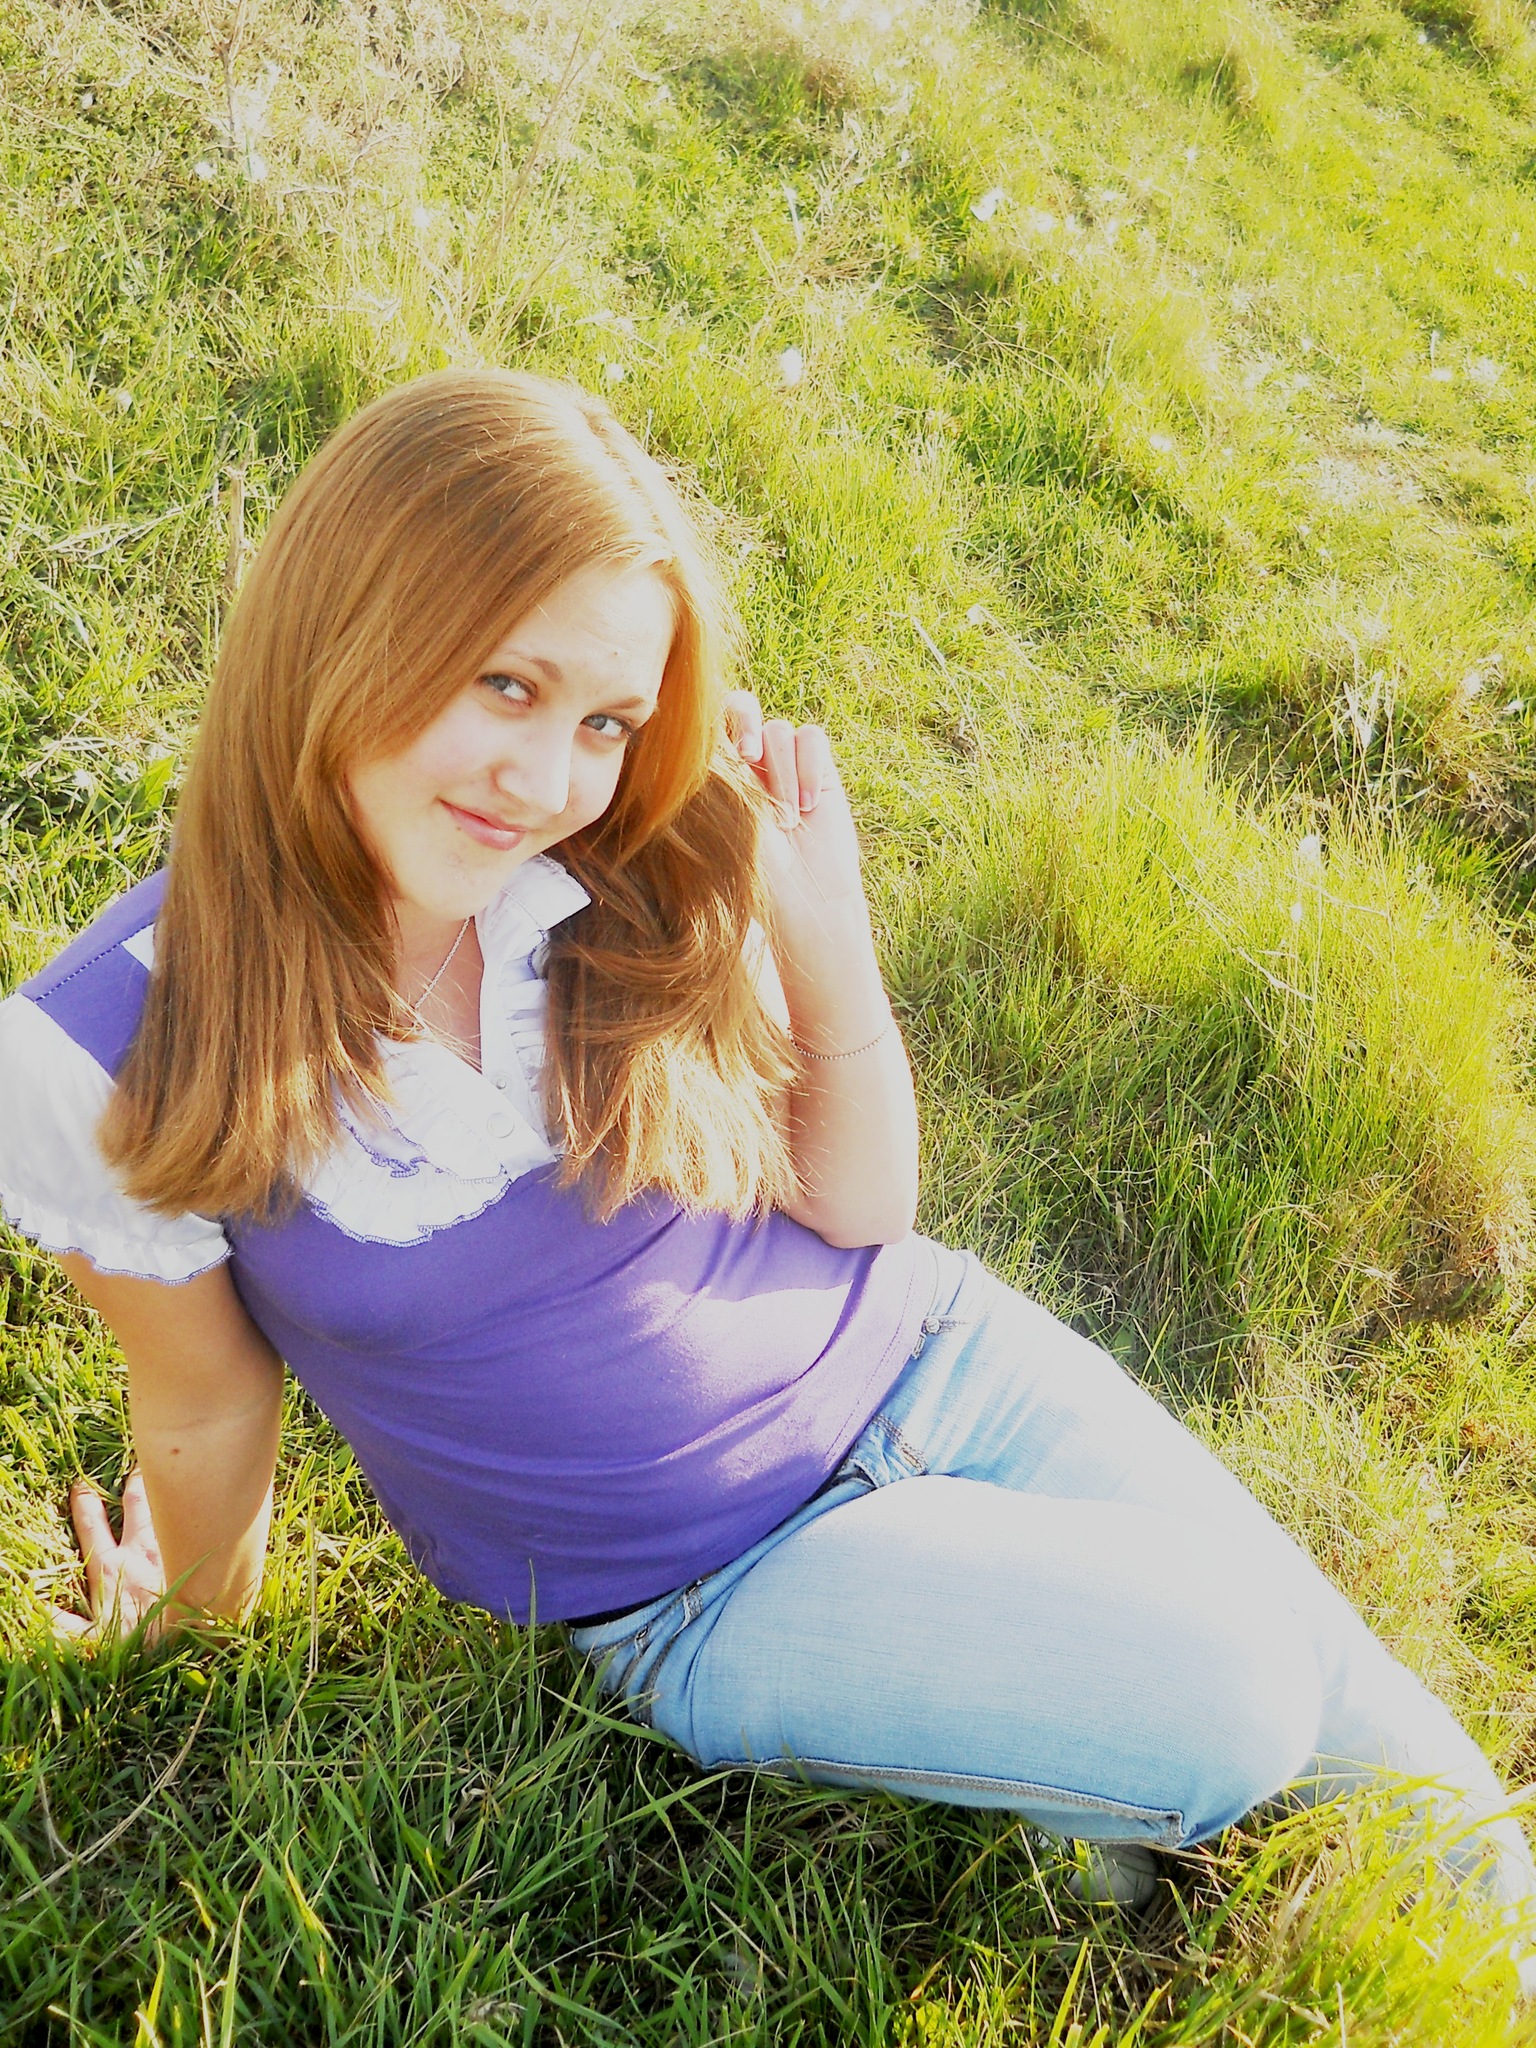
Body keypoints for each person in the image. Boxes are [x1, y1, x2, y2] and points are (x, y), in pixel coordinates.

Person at [2, 368, 1532, 1945]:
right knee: (1246, 1691)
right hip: (712, 1585)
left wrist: (820, 926)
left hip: (946, 1359)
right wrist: (182, 1632)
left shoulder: (617, 862)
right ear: (340, 626)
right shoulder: (100, 1045)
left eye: (604, 721)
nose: (547, 782)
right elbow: (206, 1399)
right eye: (505, 685)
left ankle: (1090, 1784)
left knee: (1445, 1809)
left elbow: (860, 1210)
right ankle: (1083, 1770)